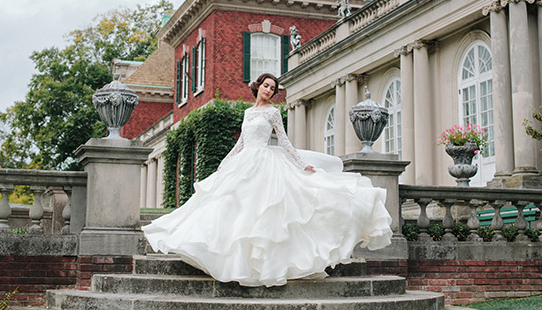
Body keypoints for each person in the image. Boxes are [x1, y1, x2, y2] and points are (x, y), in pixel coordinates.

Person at [143, 73, 392, 287]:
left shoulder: (273, 113)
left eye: (273, 89)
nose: (269, 90)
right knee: (232, 205)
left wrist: (301, 164)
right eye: (266, 86)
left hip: (265, 162)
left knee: (265, 210)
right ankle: (231, 257)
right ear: (258, 86)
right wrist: (225, 162)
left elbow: (284, 141)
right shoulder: (248, 112)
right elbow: (241, 143)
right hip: (244, 163)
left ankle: (262, 263)